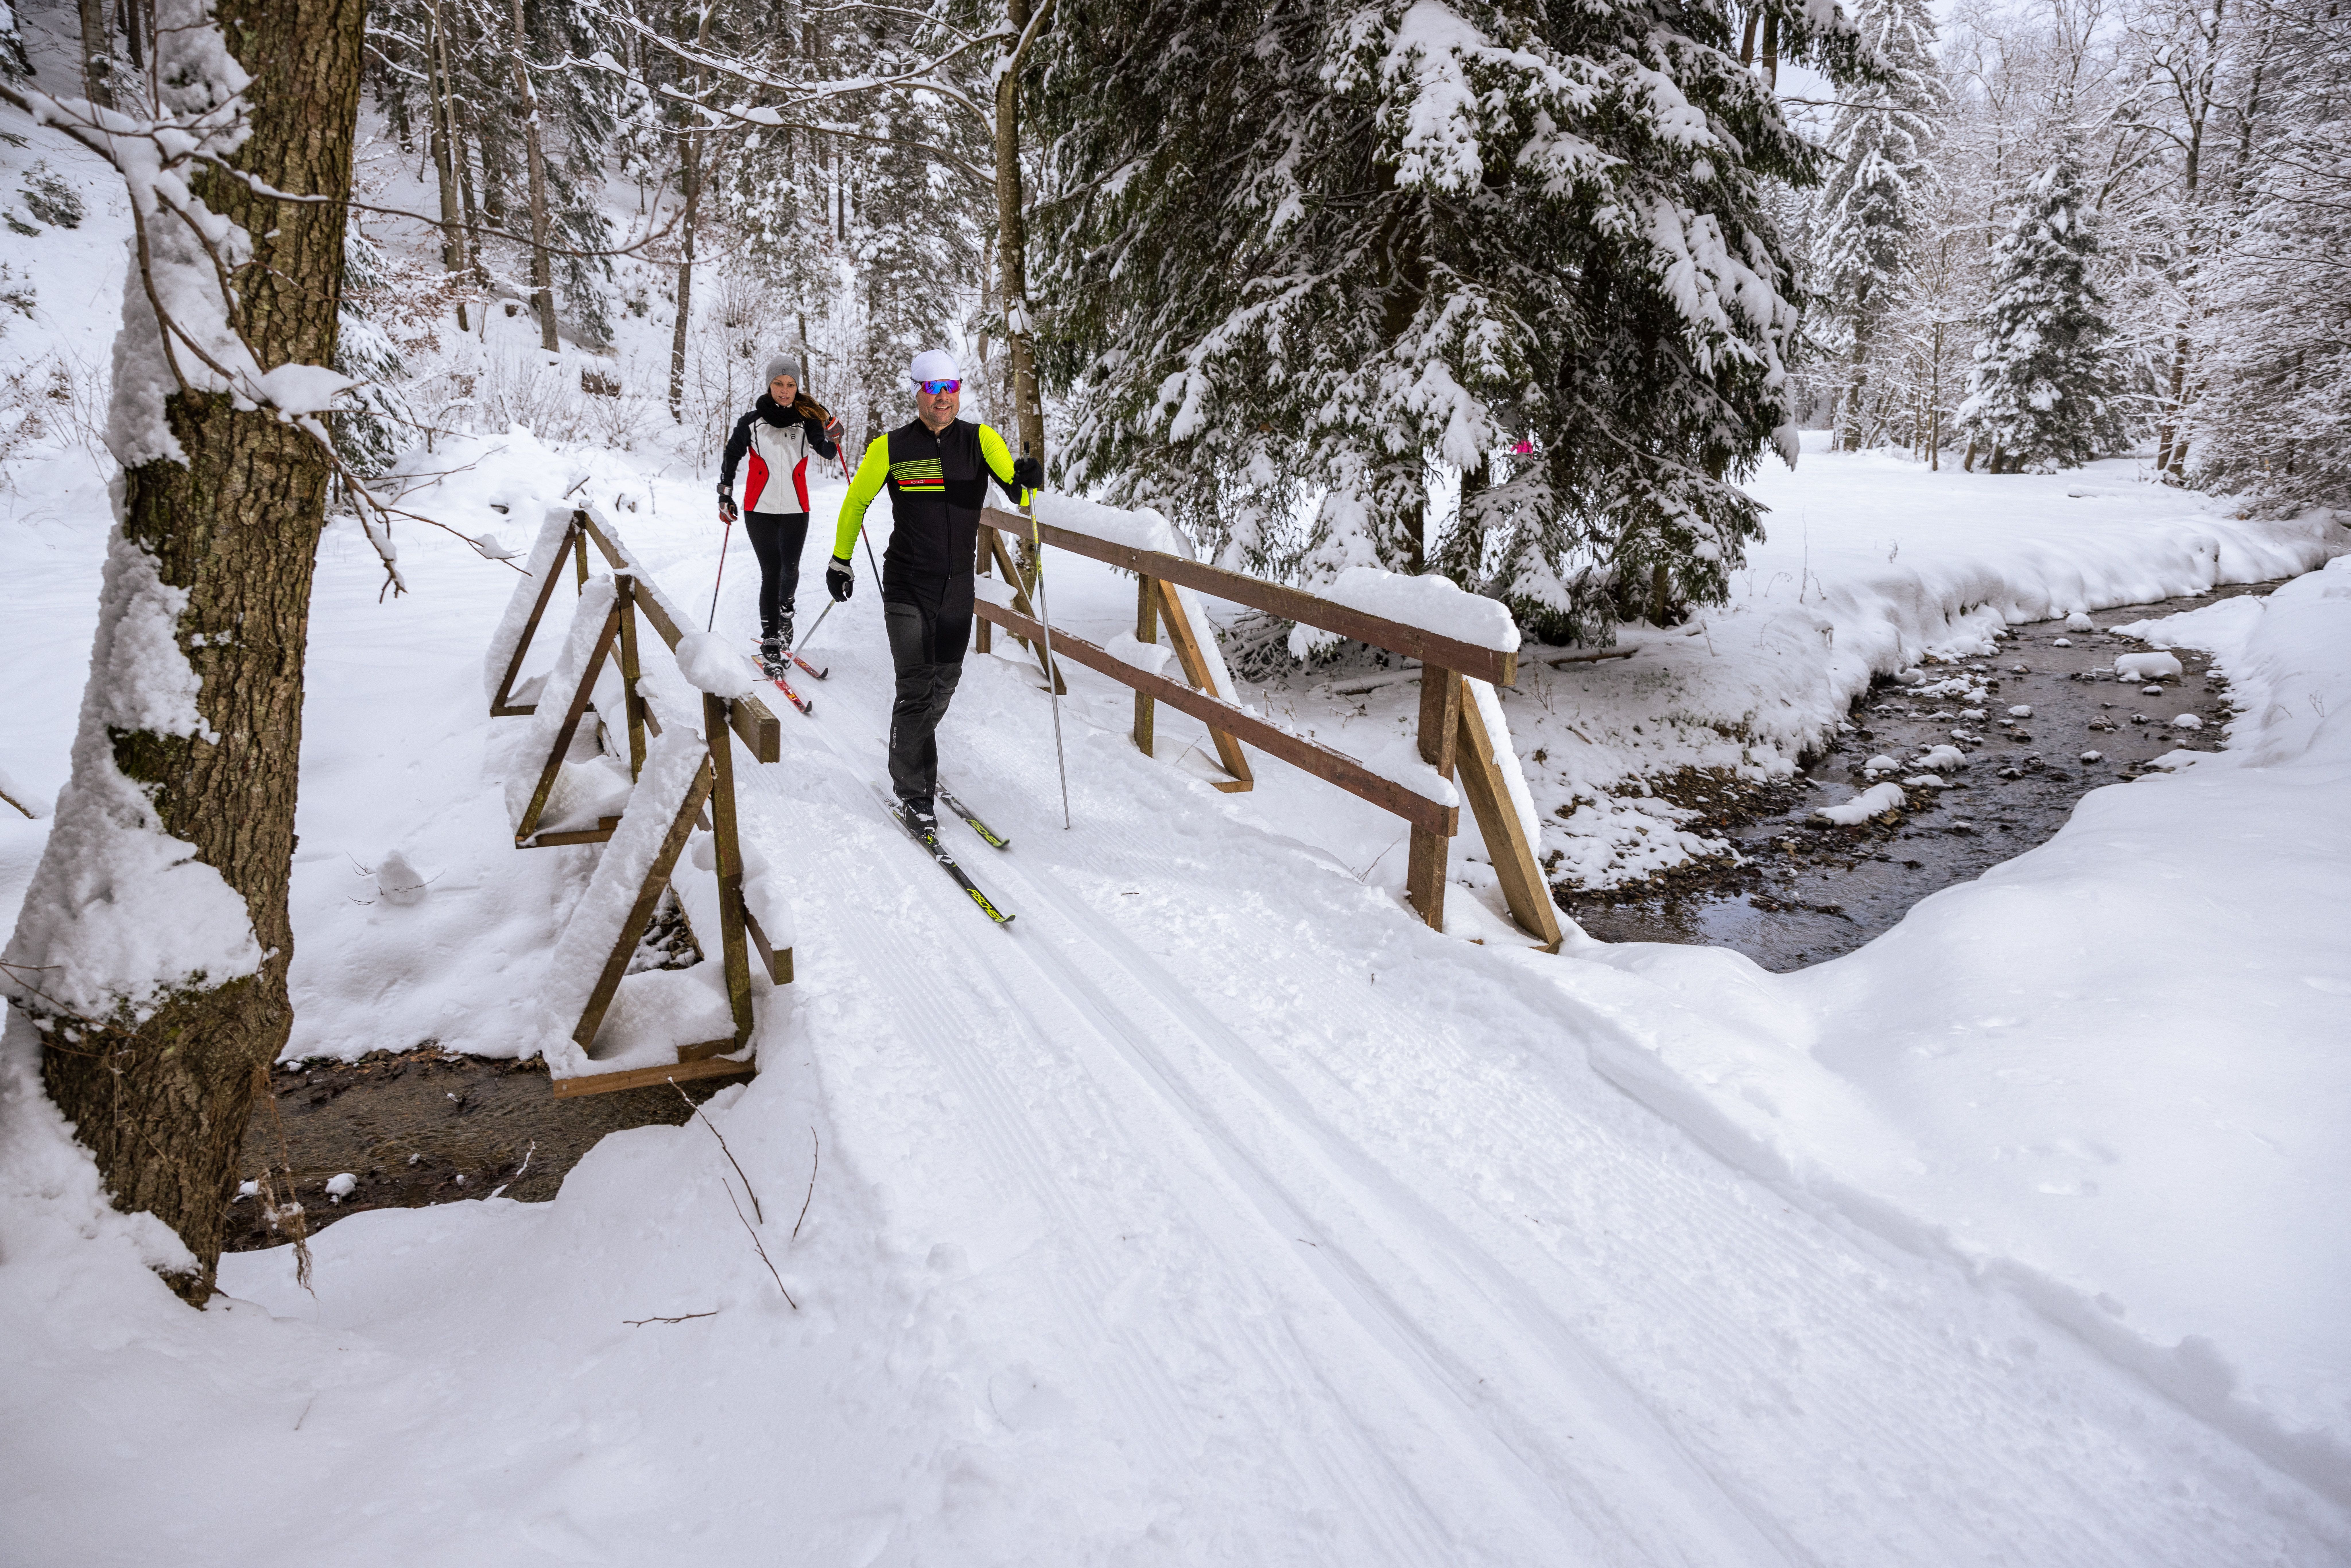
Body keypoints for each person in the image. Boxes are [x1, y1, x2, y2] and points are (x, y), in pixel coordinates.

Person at [825, 348, 1043, 830]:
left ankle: (910, 744)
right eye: (932, 389)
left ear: (958, 390)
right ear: (917, 392)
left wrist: (1029, 478)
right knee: (915, 686)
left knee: (945, 682)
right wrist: (840, 560)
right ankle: (915, 790)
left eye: (950, 388)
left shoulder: (981, 440)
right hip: (907, 584)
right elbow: (856, 501)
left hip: (958, 587)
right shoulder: (891, 447)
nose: (942, 398)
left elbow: (1019, 493)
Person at [718, 354, 844, 667]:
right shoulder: (751, 422)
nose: (784, 390)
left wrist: (834, 434)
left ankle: (786, 610)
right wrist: (725, 493)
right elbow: (732, 455)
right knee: (771, 572)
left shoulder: (807, 421)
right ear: (769, 384)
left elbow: (827, 452)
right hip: (757, 510)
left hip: (795, 510)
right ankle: (771, 637)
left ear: (797, 387)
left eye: (790, 385)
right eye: (778, 384)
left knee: (790, 569)